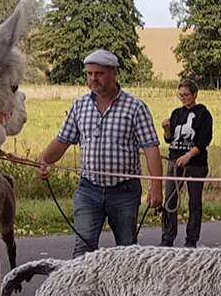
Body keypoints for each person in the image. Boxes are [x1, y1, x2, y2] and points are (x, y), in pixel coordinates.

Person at [36, 49, 163, 254]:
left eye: (99, 73)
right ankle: (81, 277)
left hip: (124, 192)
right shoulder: (79, 106)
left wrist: (156, 186)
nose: (93, 78)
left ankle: (124, 277)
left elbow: (150, 148)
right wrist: (43, 161)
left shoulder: (136, 108)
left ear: (113, 73)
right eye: (89, 73)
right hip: (88, 190)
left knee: (127, 252)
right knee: (82, 250)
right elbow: (62, 141)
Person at [159, 78, 213, 248]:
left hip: (195, 165)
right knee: (170, 200)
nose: (183, 98)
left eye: (186, 95)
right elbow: (170, 140)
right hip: (175, 163)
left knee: (194, 202)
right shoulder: (176, 113)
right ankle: (167, 238)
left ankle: (191, 240)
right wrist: (166, 130)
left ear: (195, 94)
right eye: (180, 95)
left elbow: (204, 141)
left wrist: (188, 156)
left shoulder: (204, 114)